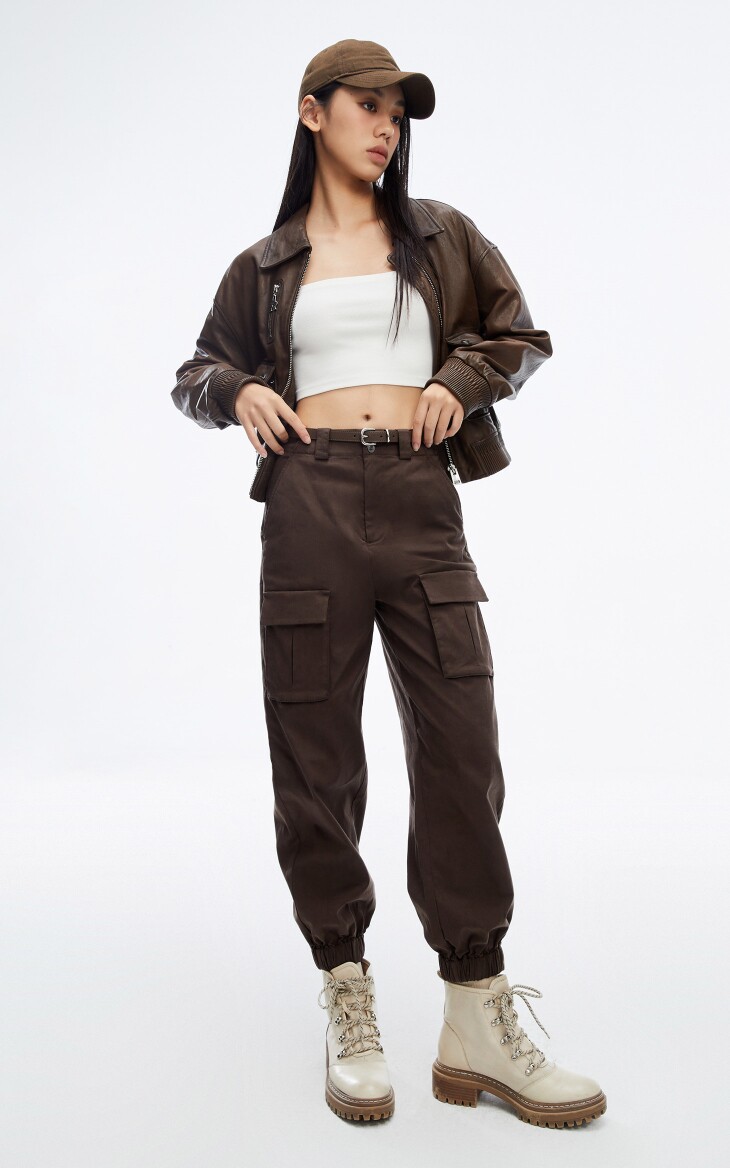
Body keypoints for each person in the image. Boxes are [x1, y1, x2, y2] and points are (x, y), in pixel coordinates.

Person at [171, 38, 606, 1129]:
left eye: (397, 112)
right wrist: (236, 391)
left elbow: (518, 334)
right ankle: (347, 990)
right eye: (367, 105)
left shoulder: (441, 236)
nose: (386, 126)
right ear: (312, 112)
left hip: (420, 498)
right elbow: (195, 370)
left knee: (461, 741)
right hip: (308, 503)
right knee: (314, 751)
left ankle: (474, 1014)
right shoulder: (264, 265)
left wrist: (461, 380)